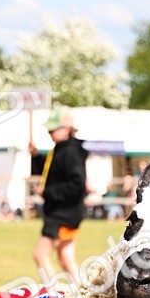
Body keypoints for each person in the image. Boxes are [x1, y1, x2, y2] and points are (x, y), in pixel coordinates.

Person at [31, 105, 87, 284]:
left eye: (53, 128)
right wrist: (36, 155)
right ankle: (82, 296)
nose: (49, 132)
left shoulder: (70, 152)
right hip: (67, 212)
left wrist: (47, 192)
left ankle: (55, 297)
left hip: (62, 214)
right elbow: (54, 172)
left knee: (40, 255)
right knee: (66, 258)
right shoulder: (61, 149)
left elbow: (77, 183)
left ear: (66, 128)